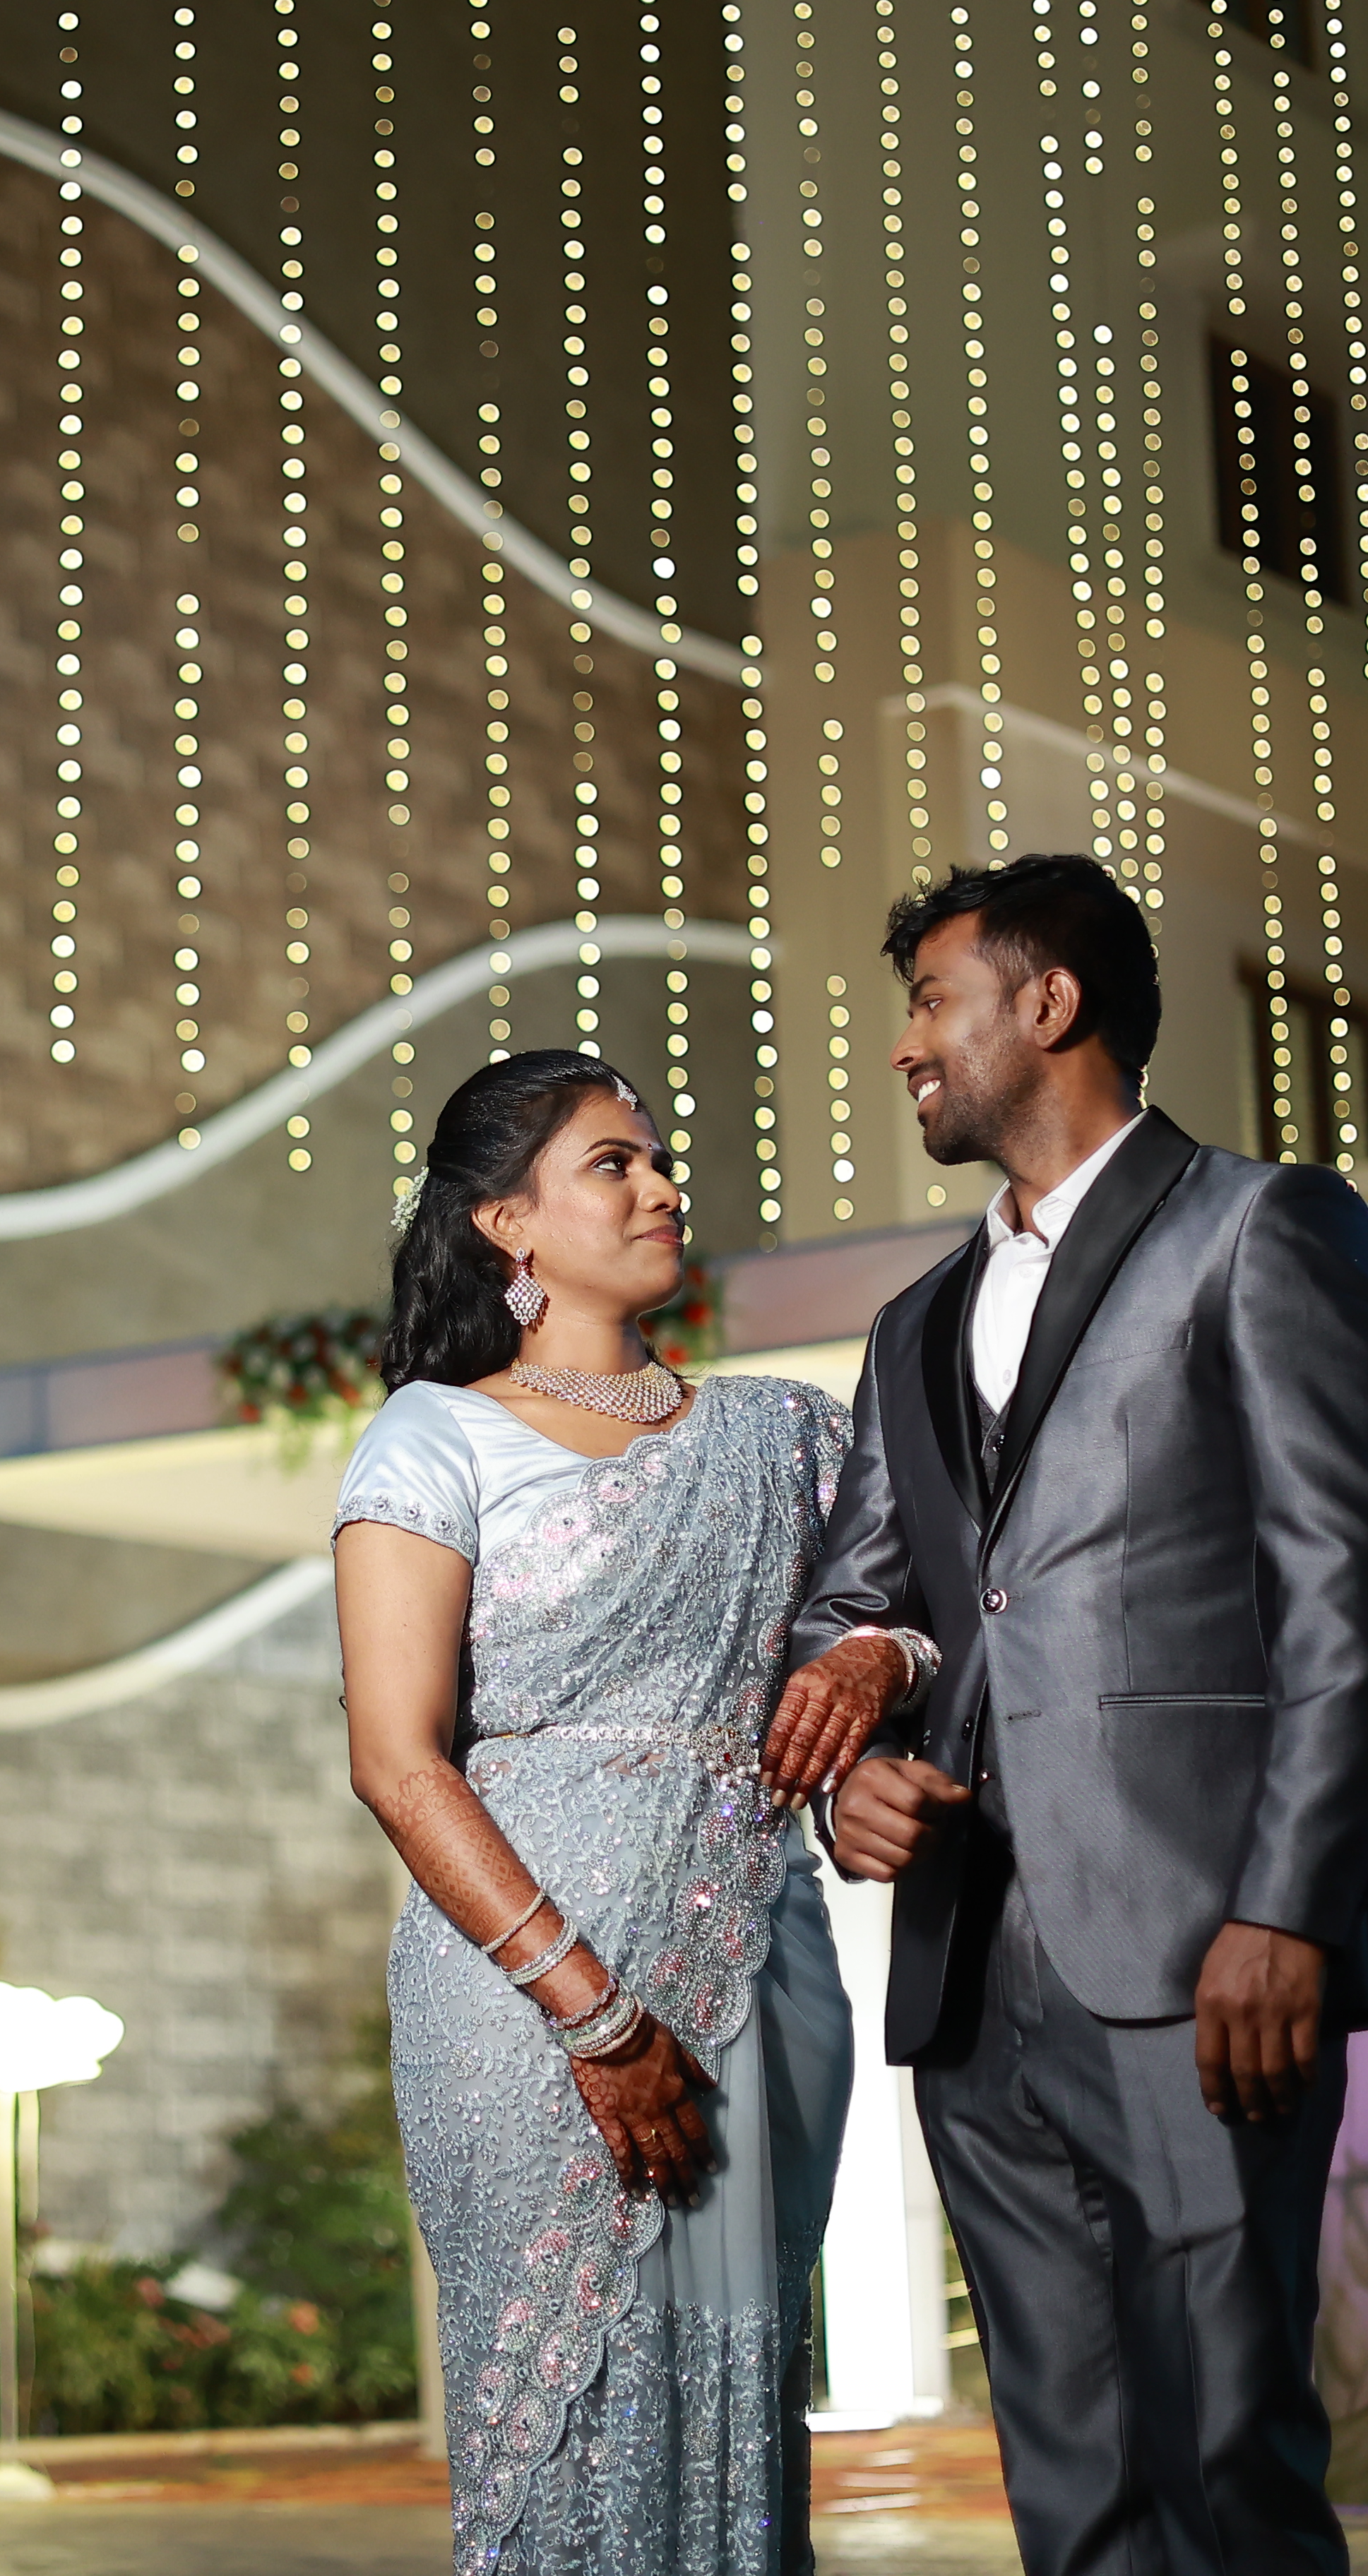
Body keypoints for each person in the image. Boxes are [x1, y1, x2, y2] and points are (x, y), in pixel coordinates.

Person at [759, 856, 1368, 2576]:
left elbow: (1352, 1592)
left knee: (1228, 2450)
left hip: (1205, 1949)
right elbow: (872, 1601)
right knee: (1072, 2483)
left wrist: (1286, 1906)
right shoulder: (915, 1323)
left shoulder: (1263, 1227)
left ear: (1049, 1006)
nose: (906, 1045)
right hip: (974, 1969)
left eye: (931, 1002)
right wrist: (857, 1779)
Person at [335, 1051, 858, 2576]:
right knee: (563, 2415)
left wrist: (884, 1665)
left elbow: (894, 1631)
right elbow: (396, 1758)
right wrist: (594, 2016)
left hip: (757, 1964)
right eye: (614, 1165)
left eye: (661, 1158)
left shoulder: (784, 1434)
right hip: (523, 2003)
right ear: (509, 1223)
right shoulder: (435, 1438)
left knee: (741, 2385)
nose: (663, 1186)